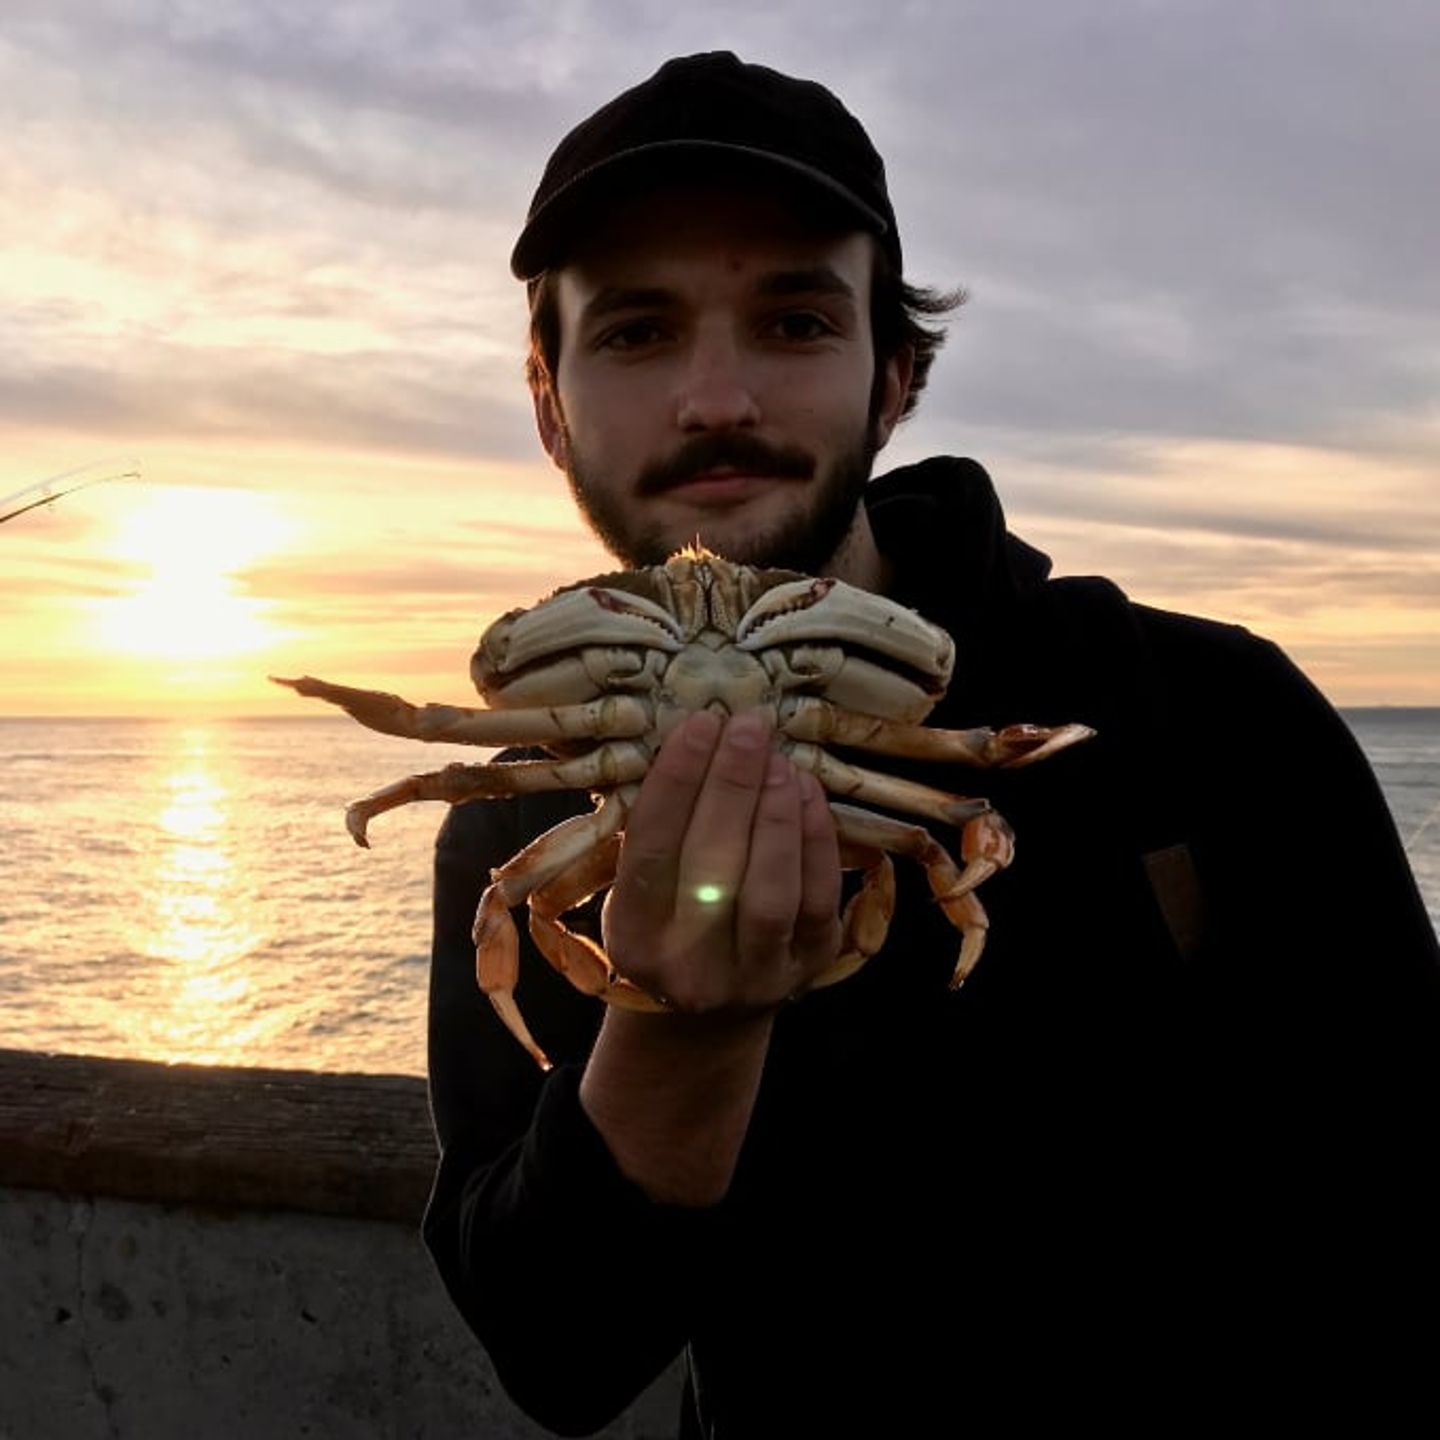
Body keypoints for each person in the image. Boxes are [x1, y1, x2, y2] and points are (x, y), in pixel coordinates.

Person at [423, 53, 1440, 1437]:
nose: (717, 398)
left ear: (893, 376)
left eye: (792, 320)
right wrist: (676, 1045)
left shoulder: (1202, 711)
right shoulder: (521, 813)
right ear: (549, 400)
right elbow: (562, 1356)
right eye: (638, 331)